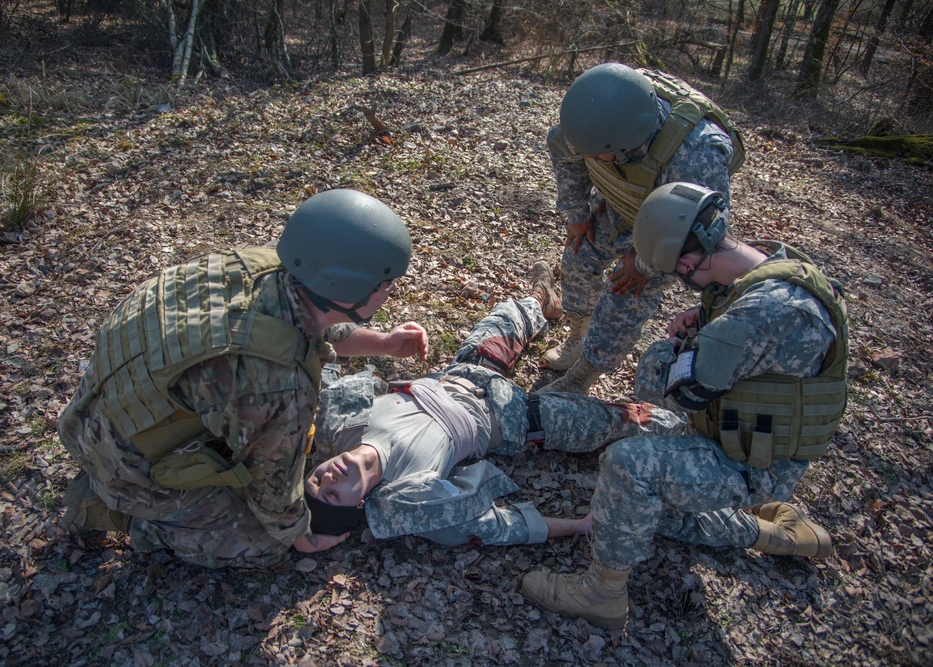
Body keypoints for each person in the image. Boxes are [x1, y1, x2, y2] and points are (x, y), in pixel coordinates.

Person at [519, 182, 848, 629]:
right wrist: (707, 326)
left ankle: (601, 595)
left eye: (679, 273)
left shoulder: (759, 312)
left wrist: (681, 347)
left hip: (748, 465)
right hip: (750, 439)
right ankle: (780, 536)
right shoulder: (780, 265)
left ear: (690, 261)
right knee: (645, 513)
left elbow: (680, 391)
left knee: (627, 466)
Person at [57, 189, 430, 568]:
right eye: (386, 286)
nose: (390, 293)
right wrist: (298, 534)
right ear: (348, 289)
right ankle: (118, 512)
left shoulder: (264, 269)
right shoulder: (279, 385)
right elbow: (273, 491)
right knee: (262, 542)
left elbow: (309, 328)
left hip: (99, 412)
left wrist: (384, 343)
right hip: (123, 464)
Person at [303, 263, 686, 547]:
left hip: (461, 374)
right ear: (360, 504)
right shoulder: (409, 496)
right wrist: (579, 525)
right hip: (512, 416)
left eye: (318, 479)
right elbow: (495, 527)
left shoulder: (338, 426)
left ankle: (543, 300)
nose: (331, 478)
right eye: (335, 494)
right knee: (621, 419)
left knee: (510, 314)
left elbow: (308, 366)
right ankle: (693, 431)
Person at [541, 62, 745, 395]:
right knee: (577, 257)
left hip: (673, 233)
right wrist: (577, 214)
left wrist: (643, 264)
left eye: (598, 154)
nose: (588, 156)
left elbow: (698, 233)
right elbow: (566, 155)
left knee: (625, 294)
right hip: (624, 203)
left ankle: (583, 376)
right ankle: (577, 335)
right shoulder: (597, 116)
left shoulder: (697, 154)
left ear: (625, 144)